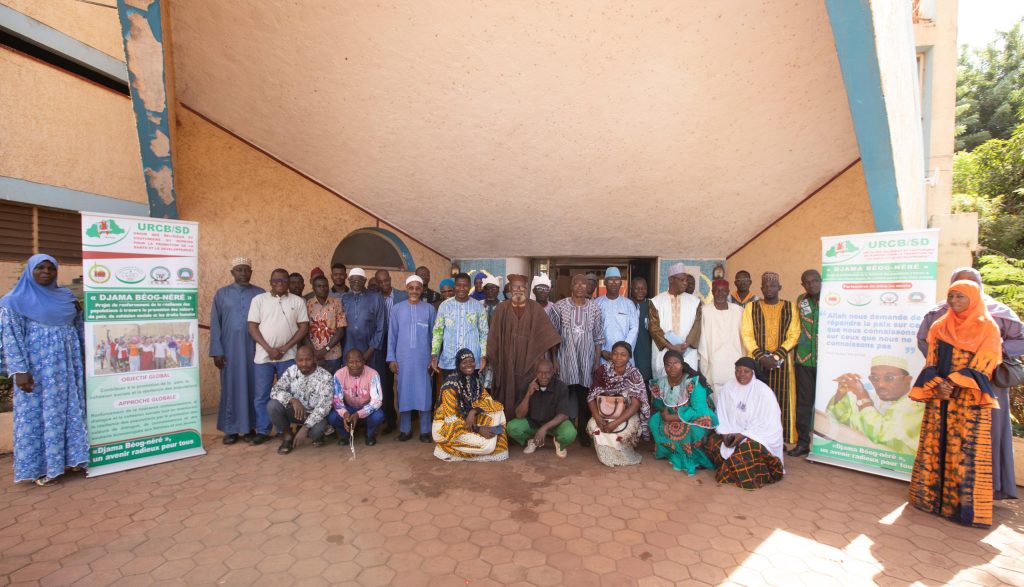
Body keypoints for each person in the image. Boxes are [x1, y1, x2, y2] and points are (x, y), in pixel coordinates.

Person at [916, 267, 1022, 500]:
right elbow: (925, 342)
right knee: (941, 433)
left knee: (980, 438)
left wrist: (990, 352)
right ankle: (940, 489)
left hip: (984, 386)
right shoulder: (938, 315)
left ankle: (979, 491)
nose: (957, 296)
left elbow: (1020, 341)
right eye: (956, 287)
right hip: (943, 385)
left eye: (969, 285)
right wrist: (942, 372)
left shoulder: (998, 314)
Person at [909, 280, 1002, 527]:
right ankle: (928, 500)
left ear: (973, 297)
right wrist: (938, 384)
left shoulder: (987, 328)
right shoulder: (940, 325)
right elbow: (931, 360)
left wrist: (954, 382)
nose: (954, 302)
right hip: (940, 395)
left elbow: (987, 363)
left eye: (960, 297)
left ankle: (961, 510)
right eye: (951, 297)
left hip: (969, 399)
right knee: (935, 443)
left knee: (965, 450)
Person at [0, 254, 89, 485]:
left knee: (71, 408)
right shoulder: (14, 300)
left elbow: (77, 327)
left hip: (68, 366)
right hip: (39, 369)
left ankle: (73, 459)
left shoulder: (66, 296)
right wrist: (19, 371)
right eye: (41, 268)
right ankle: (42, 467)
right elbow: (11, 337)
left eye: (51, 268)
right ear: (30, 270)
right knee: (41, 414)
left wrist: (86, 356)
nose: (47, 272)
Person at [247, 267, 310, 445]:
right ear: (270, 282)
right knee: (262, 395)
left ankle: (284, 429)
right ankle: (263, 430)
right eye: (276, 281)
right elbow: (252, 327)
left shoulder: (297, 301)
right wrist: (269, 348)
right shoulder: (259, 300)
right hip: (263, 357)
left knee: (289, 394)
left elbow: (304, 327)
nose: (280, 284)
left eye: (283, 280)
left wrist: (284, 347)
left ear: (288, 283)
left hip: (288, 356)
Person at [486, 274, 562, 419]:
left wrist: (554, 360)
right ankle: (506, 428)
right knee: (506, 391)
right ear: (509, 289)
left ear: (527, 290)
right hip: (506, 361)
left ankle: (527, 428)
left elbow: (549, 335)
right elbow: (493, 337)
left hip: (530, 361)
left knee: (527, 392)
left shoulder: (536, 309)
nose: (518, 290)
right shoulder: (501, 309)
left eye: (522, 287)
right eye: (515, 286)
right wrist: (495, 360)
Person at [706, 357, 785, 489]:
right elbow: (721, 414)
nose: (741, 374)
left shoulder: (763, 392)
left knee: (747, 450)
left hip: (757, 436)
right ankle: (732, 467)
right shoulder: (728, 387)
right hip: (731, 432)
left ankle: (735, 472)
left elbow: (769, 424)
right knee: (712, 442)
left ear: (753, 373)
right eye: (738, 371)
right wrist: (725, 434)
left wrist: (743, 435)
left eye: (746, 371)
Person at [211, 262, 267, 443]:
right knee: (231, 388)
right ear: (232, 272)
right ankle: (231, 429)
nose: (243, 273)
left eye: (246, 270)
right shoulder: (222, 294)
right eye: (239, 270)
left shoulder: (260, 293)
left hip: (254, 348)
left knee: (254, 388)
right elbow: (215, 324)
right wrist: (217, 351)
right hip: (230, 350)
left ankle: (250, 427)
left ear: (251, 272)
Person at [741, 272, 800, 444]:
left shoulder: (791, 307)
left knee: (782, 400)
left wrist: (776, 355)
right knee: (756, 400)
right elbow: (746, 334)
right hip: (757, 360)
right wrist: (761, 357)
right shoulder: (751, 308)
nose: (769, 289)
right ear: (761, 288)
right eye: (765, 286)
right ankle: (755, 436)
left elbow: (794, 334)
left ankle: (780, 438)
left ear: (779, 288)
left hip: (782, 362)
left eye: (773, 286)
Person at [549, 274, 605, 447]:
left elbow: (598, 337)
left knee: (585, 397)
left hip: (587, 360)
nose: (581, 286)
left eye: (584, 283)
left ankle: (583, 433)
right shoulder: (559, 307)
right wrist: (554, 360)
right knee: (563, 395)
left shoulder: (594, 308)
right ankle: (560, 430)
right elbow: (552, 336)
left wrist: (596, 361)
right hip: (565, 359)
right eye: (577, 283)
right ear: (571, 286)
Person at [827, 356, 922, 455]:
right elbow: (839, 419)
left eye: (889, 378)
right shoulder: (874, 398)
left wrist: (862, 397)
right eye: (875, 378)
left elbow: (882, 435)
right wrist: (841, 393)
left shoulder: (915, 404)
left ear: (907, 380)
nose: (881, 385)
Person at [433, 348, 509, 461]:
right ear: (458, 365)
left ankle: (475, 445)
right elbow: (452, 421)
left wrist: (473, 411)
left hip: (467, 423)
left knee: (498, 412)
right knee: (488, 447)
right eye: (464, 362)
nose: (469, 365)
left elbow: (488, 401)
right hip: (448, 429)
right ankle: (445, 448)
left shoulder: (474, 381)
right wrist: (478, 429)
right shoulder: (450, 386)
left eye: (471, 361)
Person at [649, 350, 718, 475]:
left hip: (696, 417)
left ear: (682, 364)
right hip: (672, 413)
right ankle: (673, 453)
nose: (672, 367)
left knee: (685, 430)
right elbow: (659, 403)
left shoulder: (693, 382)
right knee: (654, 421)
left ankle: (692, 459)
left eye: (676, 363)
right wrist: (664, 412)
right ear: (664, 366)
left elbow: (699, 410)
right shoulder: (662, 382)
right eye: (668, 364)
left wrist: (671, 418)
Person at [387, 275, 437, 442]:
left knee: (424, 394)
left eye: (418, 288)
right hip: (404, 359)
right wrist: (391, 359)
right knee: (404, 394)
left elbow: (435, 336)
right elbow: (392, 335)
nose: (414, 291)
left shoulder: (429, 309)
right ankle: (405, 430)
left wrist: (433, 358)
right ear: (406, 289)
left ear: (422, 289)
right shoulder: (397, 309)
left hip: (423, 359)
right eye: (411, 288)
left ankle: (424, 431)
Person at [586, 342, 651, 466]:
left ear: (629, 357)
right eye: (615, 354)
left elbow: (636, 404)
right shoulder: (603, 371)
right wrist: (598, 418)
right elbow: (591, 397)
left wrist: (615, 423)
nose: (618, 358)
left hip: (626, 414)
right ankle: (607, 455)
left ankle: (622, 455)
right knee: (594, 427)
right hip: (604, 412)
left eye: (623, 355)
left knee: (621, 432)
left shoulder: (634, 374)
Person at [267, 346, 334, 454]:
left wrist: (305, 428)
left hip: (313, 415)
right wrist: (292, 400)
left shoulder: (325, 377)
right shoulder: (291, 371)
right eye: (300, 360)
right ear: (296, 360)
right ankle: (288, 436)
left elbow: (324, 407)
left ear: (314, 359)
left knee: (317, 431)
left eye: (308, 360)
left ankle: (314, 434)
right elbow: (275, 391)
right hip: (295, 412)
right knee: (272, 406)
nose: (304, 363)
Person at [508, 359, 577, 457]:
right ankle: (531, 440)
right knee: (512, 427)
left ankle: (559, 442)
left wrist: (544, 428)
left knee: (570, 433)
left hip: (554, 424)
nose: (543, 376)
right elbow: (519, 415)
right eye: (540, 373)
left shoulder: (561, 387)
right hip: (534, 423)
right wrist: (528, 394)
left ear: (552, 372)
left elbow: (563, 415)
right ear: (535, 373)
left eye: (547, 373)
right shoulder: (527, 385)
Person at [431, 273, 489, 376]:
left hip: (471, 362)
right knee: (450, 391)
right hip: (450, 361)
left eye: (465, 285)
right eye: (458, 285)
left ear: (470, 287)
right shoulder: (444, 306)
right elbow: (438, 332)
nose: (461, 288)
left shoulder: (478, 307)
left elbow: (484, 334)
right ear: (454, 287)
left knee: (470, 391)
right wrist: (434, 354)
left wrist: (483, 356)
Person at [650, 263, 702, 377]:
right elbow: (654, 328)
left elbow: (697, 327)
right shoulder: (656, 301)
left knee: (688, 386)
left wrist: (686, 344)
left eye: (686, 280)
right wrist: (671, 347)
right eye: (682, 280)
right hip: (664, 351)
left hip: (686, 352)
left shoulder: (695, 302)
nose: (685, 283)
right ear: (671, 280)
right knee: (663, 387)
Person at [791, 269, 821, 457]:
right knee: (804, 403)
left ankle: (826, 445)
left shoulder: (833, 299)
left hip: (827, 361)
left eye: (814, 281)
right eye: (806, 282)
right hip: (804, 360)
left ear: (820, 281)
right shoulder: (801, 301)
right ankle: (803, 443)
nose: (811, 285)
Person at [698, 279, 744, 399]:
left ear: (728, 292)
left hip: (735, 360)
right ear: (712, 292)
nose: (720, 294)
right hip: (713, 362)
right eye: (717, 291)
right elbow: (701, 339)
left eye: (723, 291)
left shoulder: (738, 311)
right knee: (716, 398)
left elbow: (744, 336)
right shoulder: (705, 311)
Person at [329, 349, 384, 445]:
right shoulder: (339, 374)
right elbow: (337, 401)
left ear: (363, 362)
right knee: (332, 417)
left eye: (358, 362)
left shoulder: (373, 374)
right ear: (346, 363)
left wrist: (358, 414)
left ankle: (369, 434)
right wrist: (345, 414)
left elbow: (377, 401)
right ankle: (346, 435)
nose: (354, 365)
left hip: (366, 406)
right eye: (351, 362)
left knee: (378, 416)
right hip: (348, 407)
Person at [375, 269, 407, 434]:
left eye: (386, 280)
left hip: (402, 343)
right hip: (382, 345)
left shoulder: (403, 296)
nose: (384, 284)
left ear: (390, 279)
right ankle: (391, 420)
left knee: (403, 382)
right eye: (380, 282)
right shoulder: (375, 298)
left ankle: (407, 419)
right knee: (385, 384)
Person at [340, 268, 386, 382]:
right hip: (349, 348)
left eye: (359, 281)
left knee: (370, 381)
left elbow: (381, 326)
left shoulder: (376, 298)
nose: (356, 284)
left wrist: (370, 351)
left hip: (370, 350)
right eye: (353, 281)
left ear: (365, 281)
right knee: (350, 382)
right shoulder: (344, 298)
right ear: (348, 281)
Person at [596, 267, 639, 365]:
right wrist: (601, 351)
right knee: (604, 379)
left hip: (624, 356)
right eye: (611, 280)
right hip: (603, 355)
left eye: (617, 280)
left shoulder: (629, 304)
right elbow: (593, 330)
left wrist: (623, 350)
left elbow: (634, 328)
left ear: (621, 283)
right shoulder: (597, 304)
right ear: (605, 282)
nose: (614, 283)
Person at [305, 275, 346, 373]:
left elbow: (340, 330)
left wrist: (325, 350)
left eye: (325, 286)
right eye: (319, 286)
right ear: (313, 288)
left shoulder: (337, 303)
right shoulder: (307, 304)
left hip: (333, 354)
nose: (323, 288)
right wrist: (314, 352)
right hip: (313, 355)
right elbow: (304, 331)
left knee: (332, 384)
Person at [629, 277, 657, 386]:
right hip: (630, 349)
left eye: (643, 288)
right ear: (631, 289)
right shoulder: (626, 304)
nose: (641, 291)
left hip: (646, 350)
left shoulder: (652, 305)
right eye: (637, 288)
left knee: (645, 380)